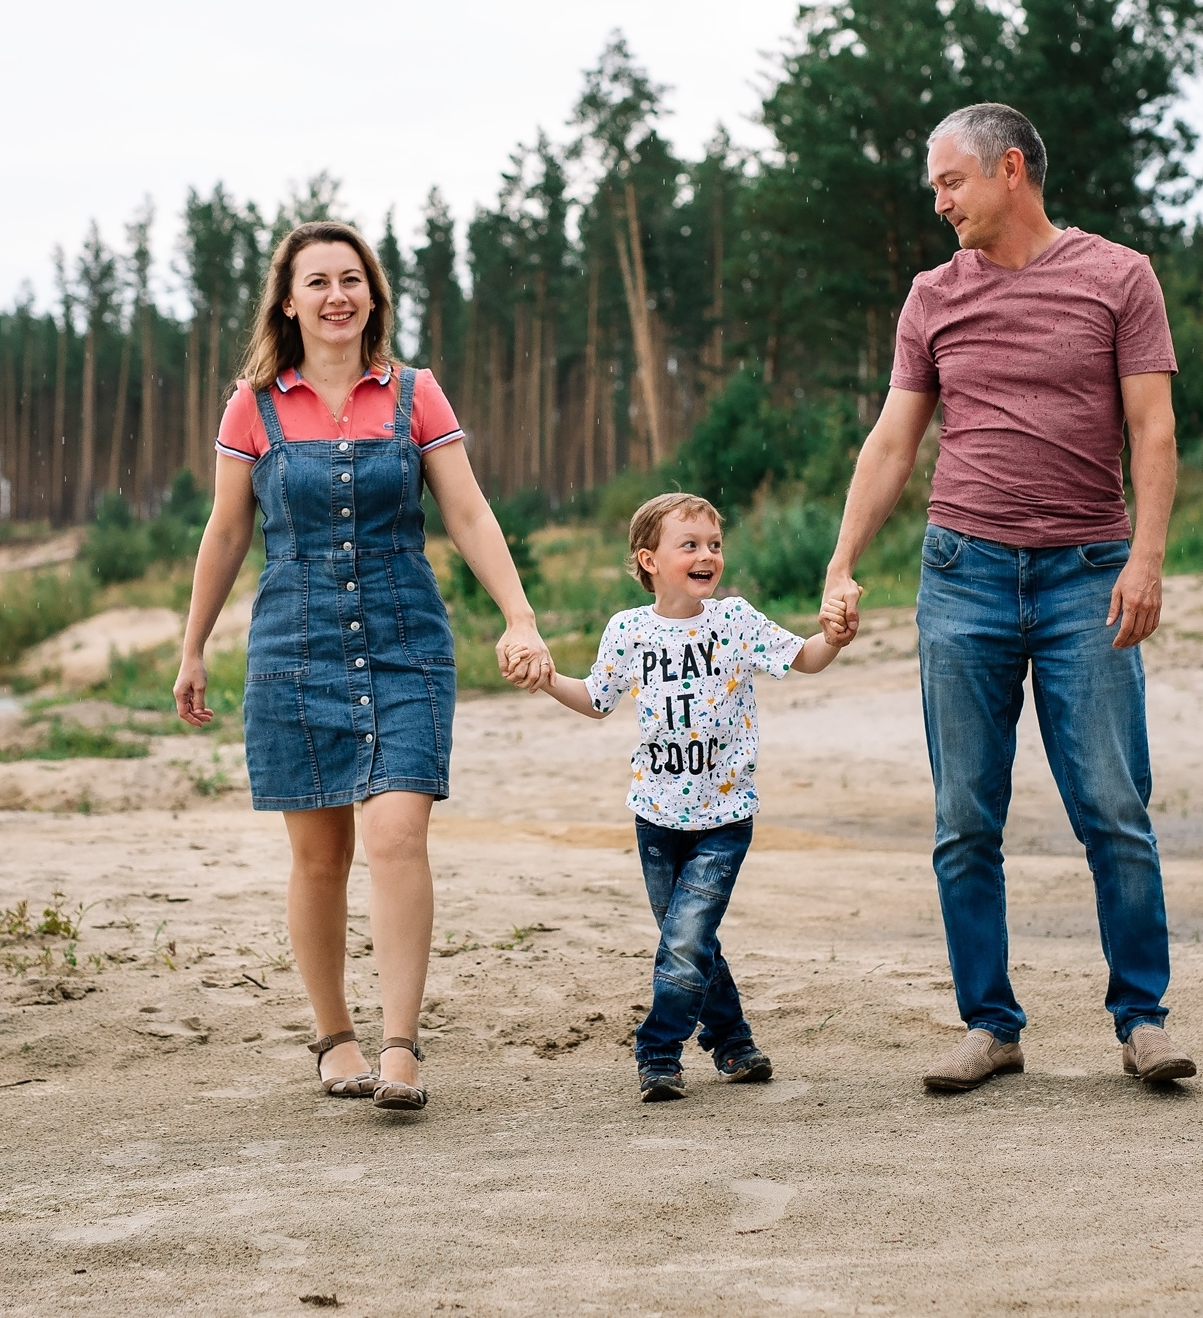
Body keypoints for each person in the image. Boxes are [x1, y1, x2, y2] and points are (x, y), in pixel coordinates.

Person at [818, 102, 1197, 1092]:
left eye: (950, 181)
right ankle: (990, 1025)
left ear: (1011, 170)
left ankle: (1141, 1019)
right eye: (934, 187)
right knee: (963, 819)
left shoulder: (1119, 277)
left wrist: (1145, 559)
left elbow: (1151, 431)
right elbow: (894, 439)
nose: (939, 202)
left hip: (1086, 576)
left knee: (1112, 805)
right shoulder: (932, 296)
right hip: (962, 578)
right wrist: (842, 560)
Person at [175, 219, 552, 1113]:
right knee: (318, 859)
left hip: (406, 640)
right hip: (292, 649)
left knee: (396, 836)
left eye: (353, 279)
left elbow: (467, 512)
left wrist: (519, 614)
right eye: (318, 282)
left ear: (374, 296)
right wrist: (193, 644)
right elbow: (227, 531)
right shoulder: (252, 407)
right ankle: (334, 1035)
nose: (338, 295)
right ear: (289, 301)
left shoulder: (417, 394)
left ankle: (400, 1045)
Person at [537, 492, 852, 1102]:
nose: (707, 555)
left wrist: (833, 636)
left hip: (726, 815)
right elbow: (597, 699)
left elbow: (805, 658)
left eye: (714, 544)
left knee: (685, 938)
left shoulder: (736, 621)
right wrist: (549, 679)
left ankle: (657, 1051)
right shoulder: (628, 630)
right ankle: (732, 1043)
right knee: (692, 938)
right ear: (648, 559)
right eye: (690, 545)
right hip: (654, 817)